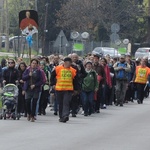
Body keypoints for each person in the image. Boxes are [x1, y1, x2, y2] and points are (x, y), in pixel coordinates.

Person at [50, 57, 78, 123]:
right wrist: (53, 84)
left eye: (70, 63)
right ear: (65, 62)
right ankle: (61, 116)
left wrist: (76, 89)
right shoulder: (58, 68)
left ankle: (65, 115)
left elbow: (76, 81)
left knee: (66, 102)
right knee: (61, 103)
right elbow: (52, 76)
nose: (69, 64)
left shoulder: (73, 70)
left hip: (68, 90)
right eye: (68, 63)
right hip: (59, 89)